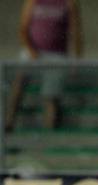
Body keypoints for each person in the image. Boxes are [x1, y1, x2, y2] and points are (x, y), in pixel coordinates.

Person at [6, 0, 83, 131]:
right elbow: (23, 29)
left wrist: (77, 60)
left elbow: (75, 31)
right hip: (32, 52)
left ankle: (49, 133)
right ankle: (8, 123)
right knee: (18, 83)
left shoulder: (69, 3)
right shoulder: (33, 1)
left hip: (57, 56)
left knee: (51, 97)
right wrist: (32, 51)